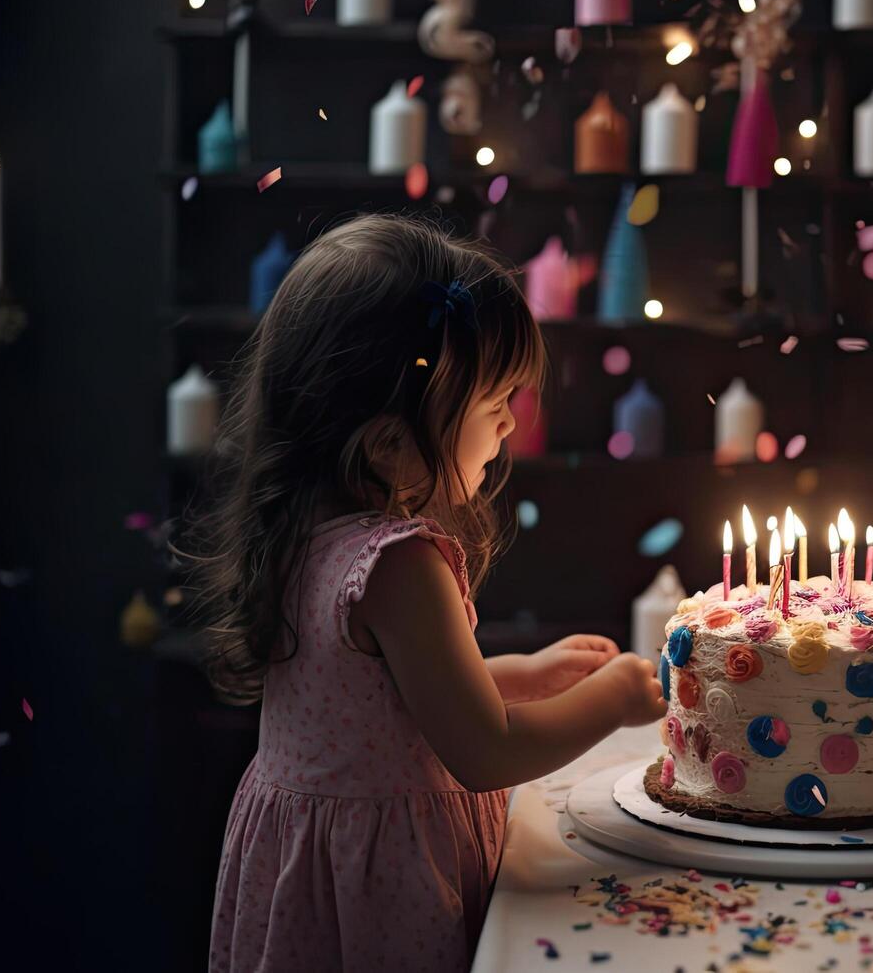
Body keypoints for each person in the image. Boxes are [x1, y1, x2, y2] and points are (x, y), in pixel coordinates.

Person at [183, 214, 666, 971]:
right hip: (383, 881)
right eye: (492, 402)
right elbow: (482, 749)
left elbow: (383, 706)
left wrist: (529, 674)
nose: (511, 421)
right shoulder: (399, 564)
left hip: (313, 866)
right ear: (388, 442)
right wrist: (615, 700)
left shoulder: (301, 532)